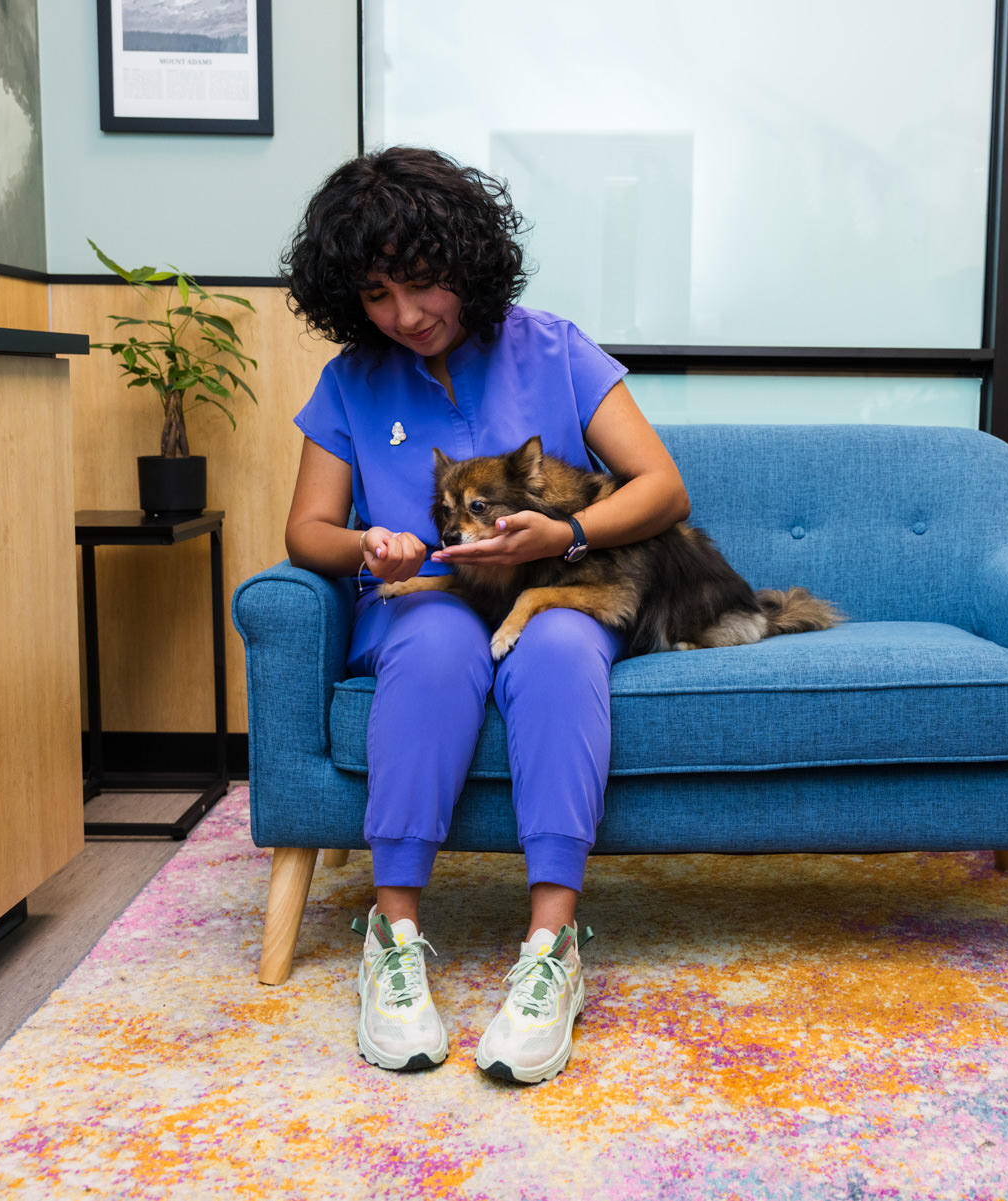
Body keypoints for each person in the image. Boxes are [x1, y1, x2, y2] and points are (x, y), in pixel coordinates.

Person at [280, 147, 690, 1083]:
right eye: (378, 294)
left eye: (422, 284)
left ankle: (551, 948)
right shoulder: (351, 381)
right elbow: (306, 532)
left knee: (558, 651)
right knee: (428, 648)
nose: (406, 315)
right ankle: (394, 939)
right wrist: (367, 547)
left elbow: (663, 489)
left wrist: (564, 537)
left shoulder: (553, 346)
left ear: (465, 262)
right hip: (428, 600)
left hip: (551, 588)